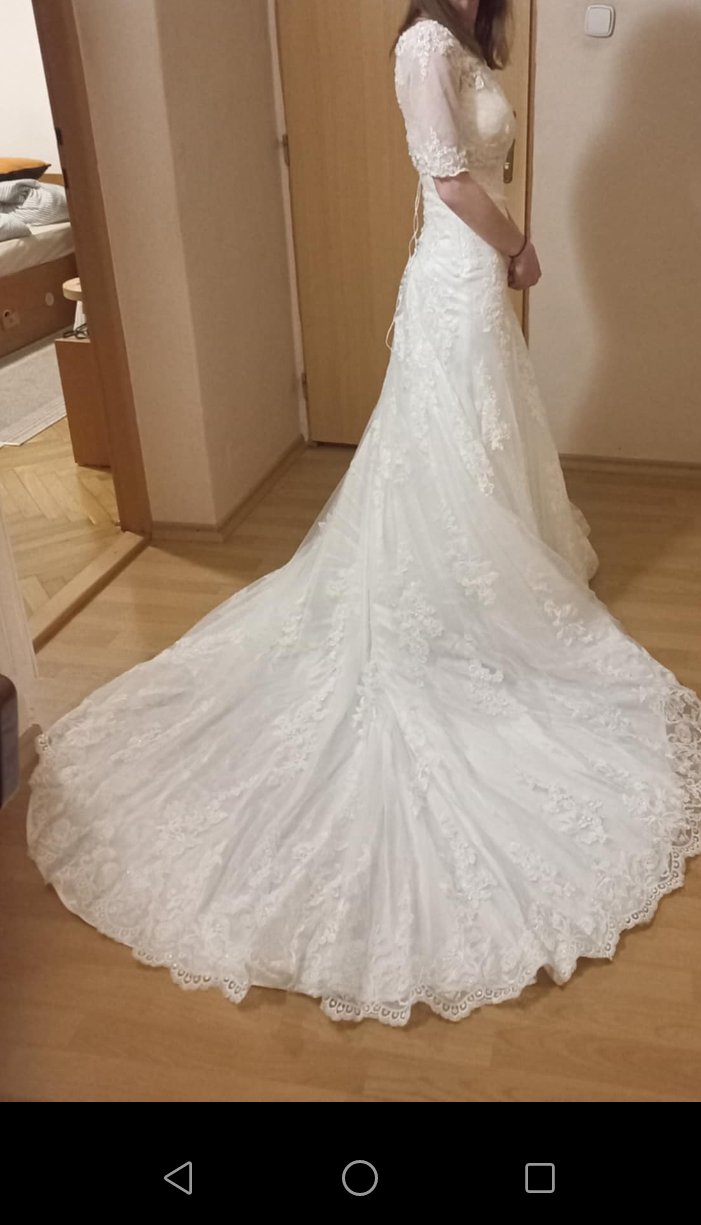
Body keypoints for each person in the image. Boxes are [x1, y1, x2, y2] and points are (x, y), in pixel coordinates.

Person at [27, 0, 700, 1027]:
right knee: (446, 445)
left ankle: (478, 577)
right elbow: (448, 179)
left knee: (471, 444)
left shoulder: (469, 42)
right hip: (461, 272)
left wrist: (497, 255)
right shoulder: (424, 44)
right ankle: (442, 599)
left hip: (466, 275)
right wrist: (519, 248)